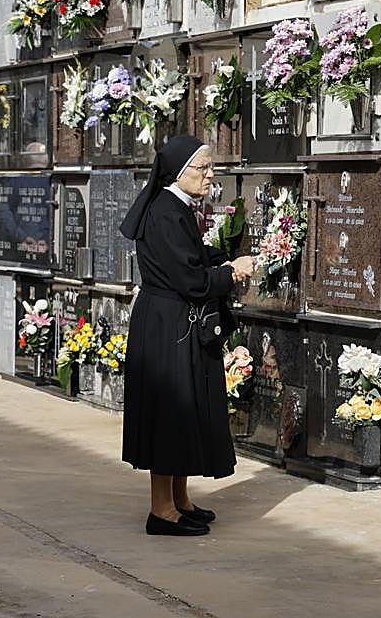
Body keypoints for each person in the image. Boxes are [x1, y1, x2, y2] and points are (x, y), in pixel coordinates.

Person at [118, 135, 256, 537]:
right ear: (180, 172)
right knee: (170, 412)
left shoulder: (175, 207)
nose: (210, 176)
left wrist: (220, 262)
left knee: (183, 411)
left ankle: (179, 499)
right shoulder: (166, 211)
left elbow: (190, 260)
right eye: (204, 169)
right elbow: (188, 279)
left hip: (173, 320)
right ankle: (161, 510)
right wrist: (231, 274)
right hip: (168, 324)